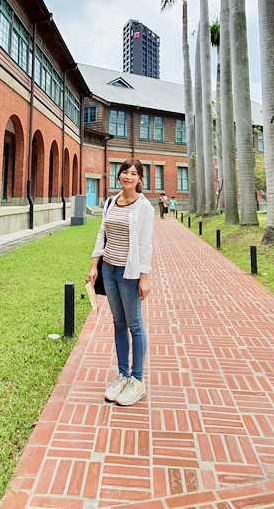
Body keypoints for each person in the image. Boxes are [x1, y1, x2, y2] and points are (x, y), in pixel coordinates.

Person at [88, 158, 154, 407]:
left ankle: (137, 381)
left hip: (130, 274)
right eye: (125, 172)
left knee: (135, 325)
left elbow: (146, 244)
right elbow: (101, 234)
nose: (128, 177)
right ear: (119, 175)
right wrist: (94, 264)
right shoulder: (109, 202)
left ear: (139, 180)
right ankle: (123, 375)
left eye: (134, 174)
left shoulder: (145, 207)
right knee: (118, 323)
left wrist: (144, 278)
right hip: (109, 270)